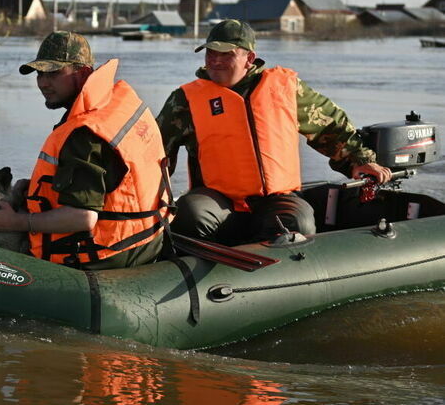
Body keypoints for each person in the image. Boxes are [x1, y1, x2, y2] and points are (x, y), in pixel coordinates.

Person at [157, 19, 391, 244]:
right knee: (190, 213)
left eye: (226, 54)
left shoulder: (286, 89)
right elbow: (156, 152)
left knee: (299, 222)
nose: (215, 60)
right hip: (218, 201)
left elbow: (329, 125)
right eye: (210, 53)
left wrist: (359, 160)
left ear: (249, 58)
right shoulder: (185, 100)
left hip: (276, 199)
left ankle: (271, 273)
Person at [0, 31, 171, 270]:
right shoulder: (116, 104)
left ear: (83, 72)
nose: (43, 83)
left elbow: (83, 217)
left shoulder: (84, 132)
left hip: (110, 253)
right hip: (149, 238)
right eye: (39, 73)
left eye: (54, 73)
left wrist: (17, 222)